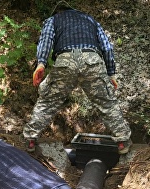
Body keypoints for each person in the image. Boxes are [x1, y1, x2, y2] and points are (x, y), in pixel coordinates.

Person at [23, 2, 132, 154]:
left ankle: (30, 140)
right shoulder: (90, 20)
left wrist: (41, 63)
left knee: (48, 101)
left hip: (65, 61)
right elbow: (107, 47)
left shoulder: (53, 20)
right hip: (92, 61)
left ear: (57, 12)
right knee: (106, 103)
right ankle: (122, 141)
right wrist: (111, 73)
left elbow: (46, 41)